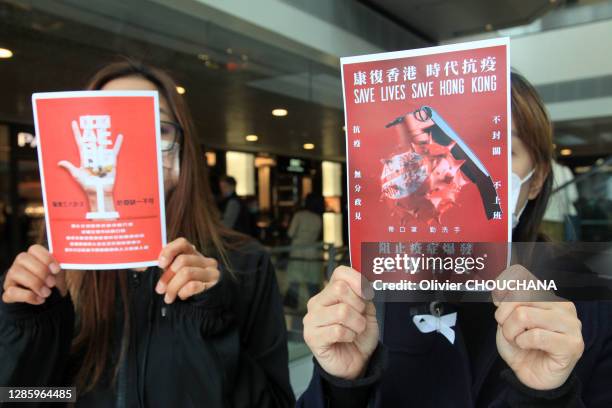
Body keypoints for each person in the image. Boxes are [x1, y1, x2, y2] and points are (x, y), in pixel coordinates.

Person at [298, 72, 612, 407]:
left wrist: (548, 396)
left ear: (536, 180)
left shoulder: (588, 302)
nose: (461, 166)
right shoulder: (372, 288)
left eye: (499, 148)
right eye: (444, 148)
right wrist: (342, 384)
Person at [0, 61, 294, 407]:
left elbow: (273, 404)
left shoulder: (243, 263)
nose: (136, 146)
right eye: (115, 124)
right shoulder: (57, 269)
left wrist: (208, 326)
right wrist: (33, 330)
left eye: (158, 130)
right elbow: (23, 398)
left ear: (183, 151)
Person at [284, 193, 325, 309]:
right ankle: (317, 309)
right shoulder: (318, 218)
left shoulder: (299, 215)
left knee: (294, 283)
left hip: (297, 250)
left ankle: (293, 312)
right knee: (312, 283)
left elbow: (290, 233)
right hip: (312, 252)